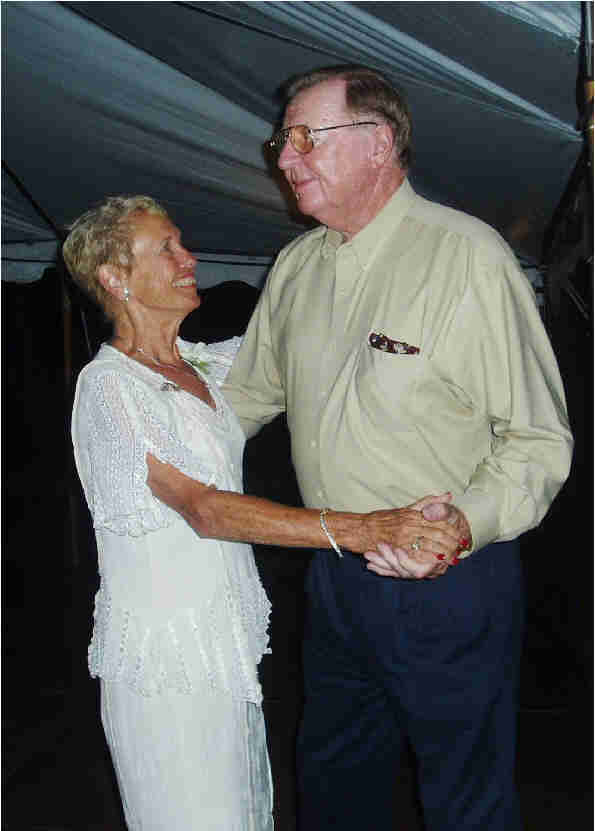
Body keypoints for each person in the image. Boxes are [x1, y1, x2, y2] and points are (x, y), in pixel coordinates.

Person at [215, 66, 573, 830]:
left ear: (377, 143)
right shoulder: (297, 266)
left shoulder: (466, 257)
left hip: (445, 579)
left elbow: (538, 439)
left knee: (465, 802)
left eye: (305, 137)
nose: (285, 157)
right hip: (334, 571)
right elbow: (245, 397)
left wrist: (462, 524)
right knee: (333, 783)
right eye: (283, 141)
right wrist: (147, 420)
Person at [64, 195, 463, 831]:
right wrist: (366, 528)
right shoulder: (110, 386)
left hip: (223, 649)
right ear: (115, 278)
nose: (189, 258)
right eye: (166, 249)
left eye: (182, 242)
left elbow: (310, 338)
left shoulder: (204, 364)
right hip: (168, 665)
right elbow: (205, 510)